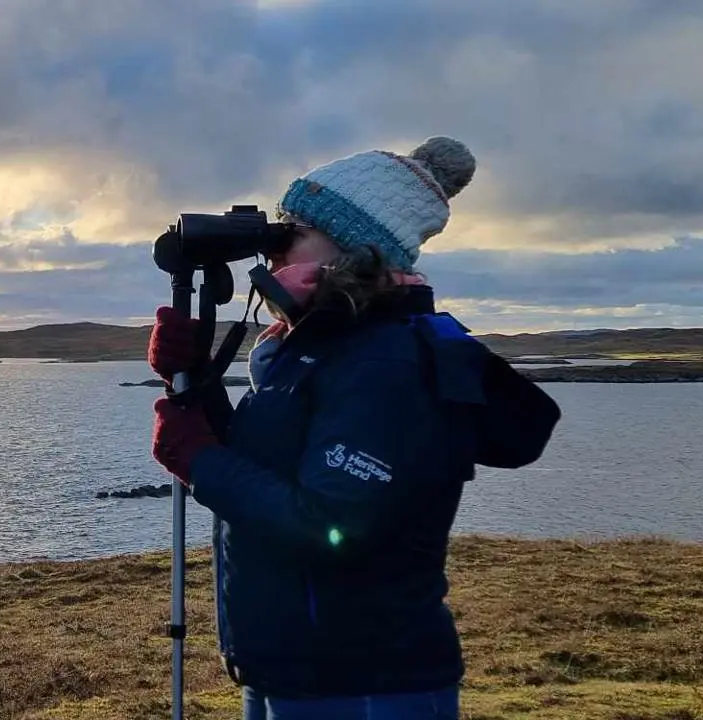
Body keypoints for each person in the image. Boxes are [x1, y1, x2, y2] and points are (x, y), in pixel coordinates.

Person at [147, 137, 561, 719]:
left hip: (363, 685)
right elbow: (266, 467)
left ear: (351, 248)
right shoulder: (319, 347)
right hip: (292, 670)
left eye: (294, 227)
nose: (275, 240)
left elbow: (332, 525)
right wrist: (196, 382)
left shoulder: (387, 364)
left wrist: (200, 461)